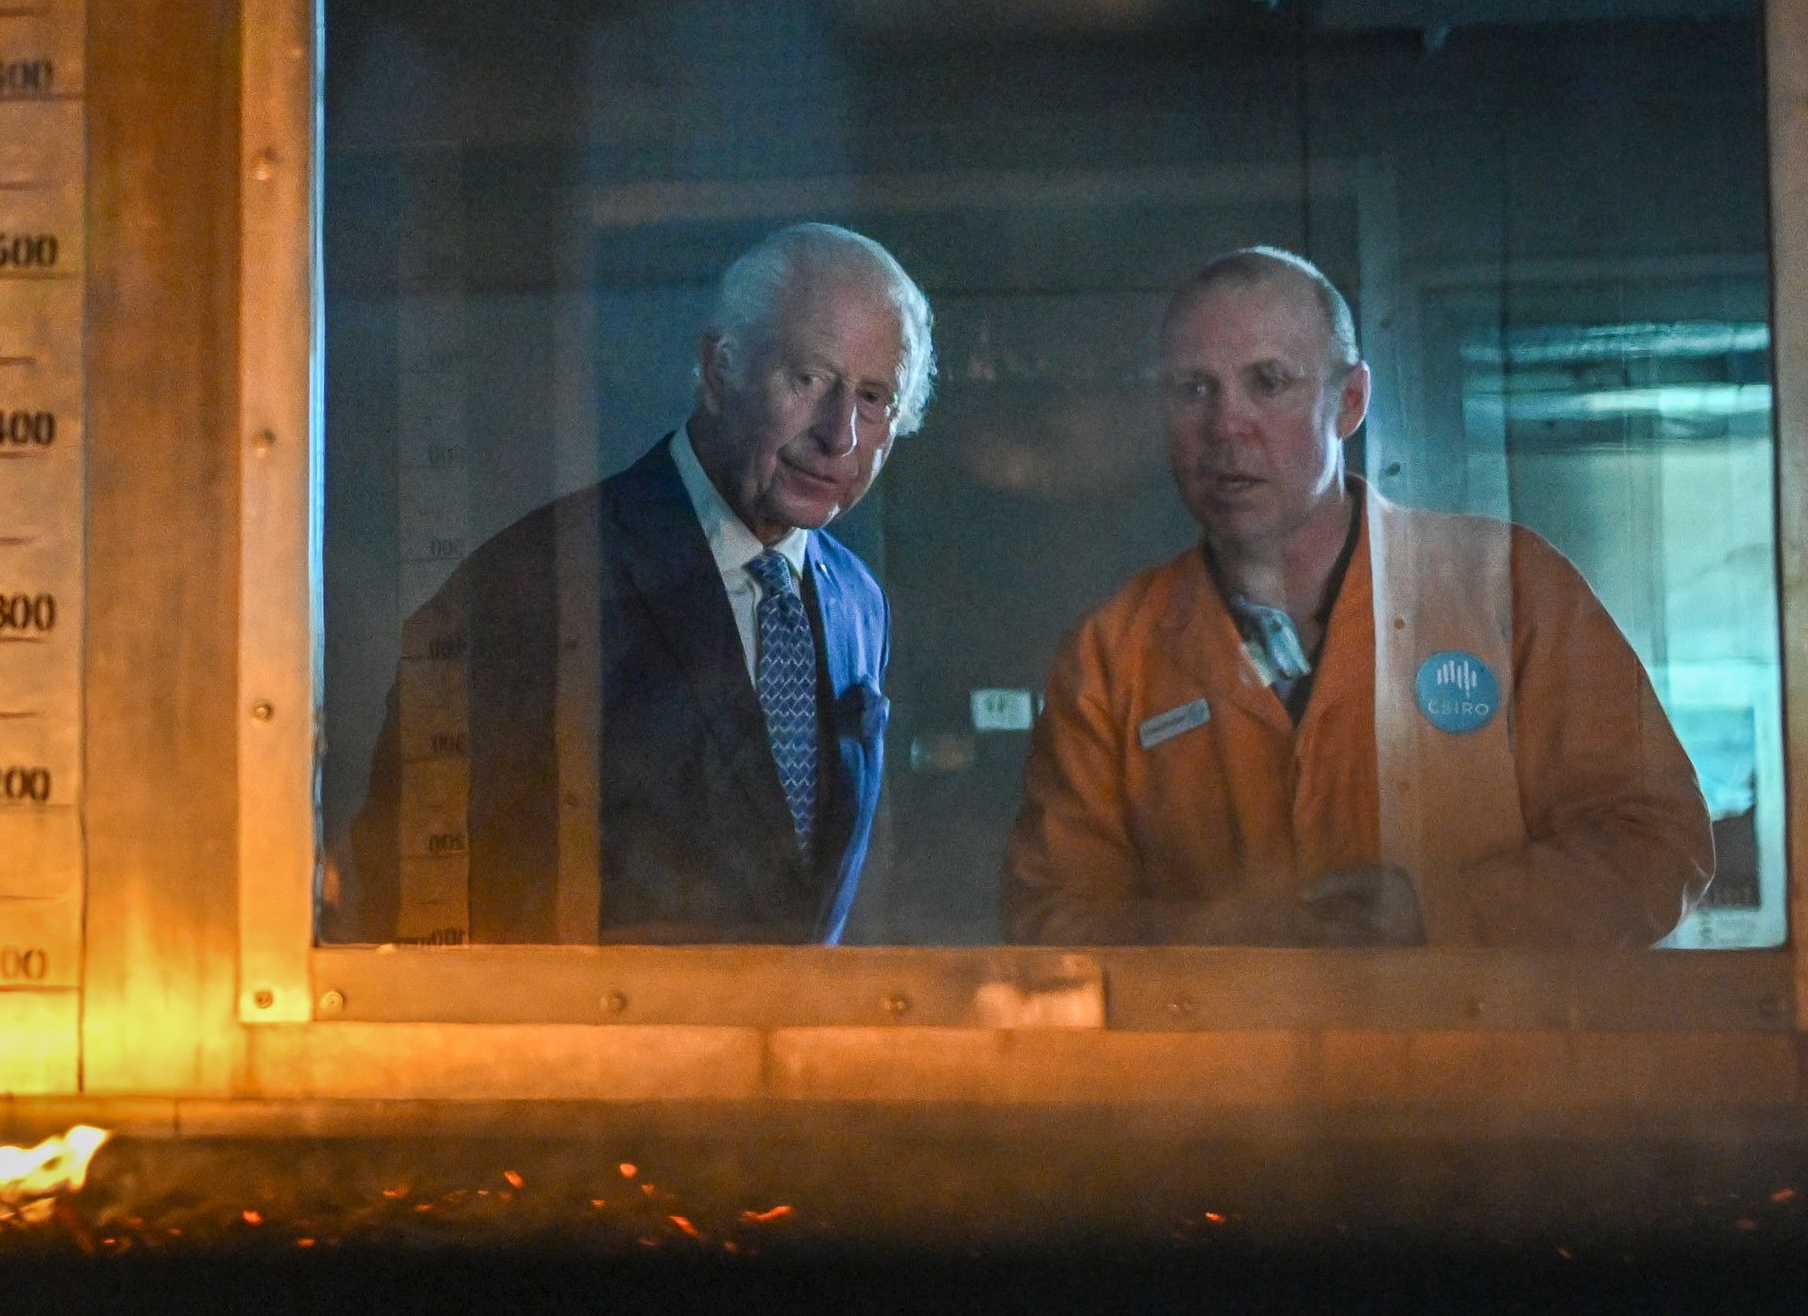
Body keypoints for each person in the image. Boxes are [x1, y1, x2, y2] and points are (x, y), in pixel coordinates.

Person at [1003, 248, 1714, 947]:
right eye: (1194, 389)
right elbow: (1050, 918)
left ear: (1349, 403)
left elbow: (1656, 845)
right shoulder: (1114, 651)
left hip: (1484, 1061)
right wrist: (1224, 935)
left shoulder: (1506, 587)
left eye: (1268, 382)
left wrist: (1436, 916)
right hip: (1229, 1064)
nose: (1226, 426)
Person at [333, 222, 931, 944]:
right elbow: (420, 887)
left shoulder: (857, 602)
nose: (840, 434)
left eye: (874, 399)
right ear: (719, 370)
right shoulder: (537, 582)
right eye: (808, 379)